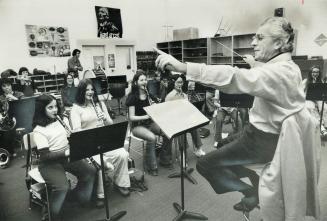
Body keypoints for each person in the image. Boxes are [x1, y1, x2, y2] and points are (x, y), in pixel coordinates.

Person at [155, 17, 306, 212]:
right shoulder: (287, 67)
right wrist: (255, 64)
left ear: (278, 43)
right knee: (222, 144)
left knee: (205, 165)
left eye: (259, 38)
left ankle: (252, 193)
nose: (253, 42)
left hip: (261, 141)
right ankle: (257, 186)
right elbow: (268, 75)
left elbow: (234, 76)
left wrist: (183, 68)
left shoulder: (278, 73)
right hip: (264, 136)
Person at [32, 94, 96, 221]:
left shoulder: (62, 120)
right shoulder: (39, 130)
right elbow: (45, 156)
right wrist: (65, 153)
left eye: (56, 106)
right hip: (48, 163)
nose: (55, 110)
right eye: (50, 107)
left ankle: (77, 197)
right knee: (62, 187)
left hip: (66, 157)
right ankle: (51, 215)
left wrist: (72, 138)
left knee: (90, 172)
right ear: (41, 109)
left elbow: (67, 140)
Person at [70, 79, 130, 204]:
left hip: (103, 140)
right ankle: (100, 194)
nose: (90, 92)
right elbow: (76, 132)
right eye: (87, 90)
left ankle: (121, 183)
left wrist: (104, 118)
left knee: (123, 154)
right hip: (87, 144)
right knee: (100, 163)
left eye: (92, 89)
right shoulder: (76, 109)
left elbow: (110, 123)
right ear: (81, 91)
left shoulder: (99, 104)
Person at [125, 70, 169, 176]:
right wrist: (145, 116)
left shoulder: (149, 95)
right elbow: (131, 117)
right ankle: (151, 166)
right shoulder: (132, 97)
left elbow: (158, 106)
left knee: (167, 132)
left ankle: (164, 158)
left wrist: (156, 105)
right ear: (136, 82)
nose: (144, 82)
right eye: (141, 80)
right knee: (152, 138)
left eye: (145, 80)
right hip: (137, 126)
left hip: (149, 123)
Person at [159, 74, 205, 167]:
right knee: (181, 131)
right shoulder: (169, 96)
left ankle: (198, 148)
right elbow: (166, 113)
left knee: (194, 127)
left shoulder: (184, 95)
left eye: (181, 82)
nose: (180, 84)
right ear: (174, 83)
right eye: (178, 82)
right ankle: (182, 154)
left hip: (184, 119)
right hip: (173, 122)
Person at [302, 65, 327, 138]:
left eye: (317, 72)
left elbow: (323, 93)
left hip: (318, 99)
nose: (315, 73)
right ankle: (320, 127)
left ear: (319, 73)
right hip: (308, 99)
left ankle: (324, 126)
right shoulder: (306, 81)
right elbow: (300, 92)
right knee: (311, 108)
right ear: (310, 73)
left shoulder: (321, 81)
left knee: (325, 108)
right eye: (313, 72)